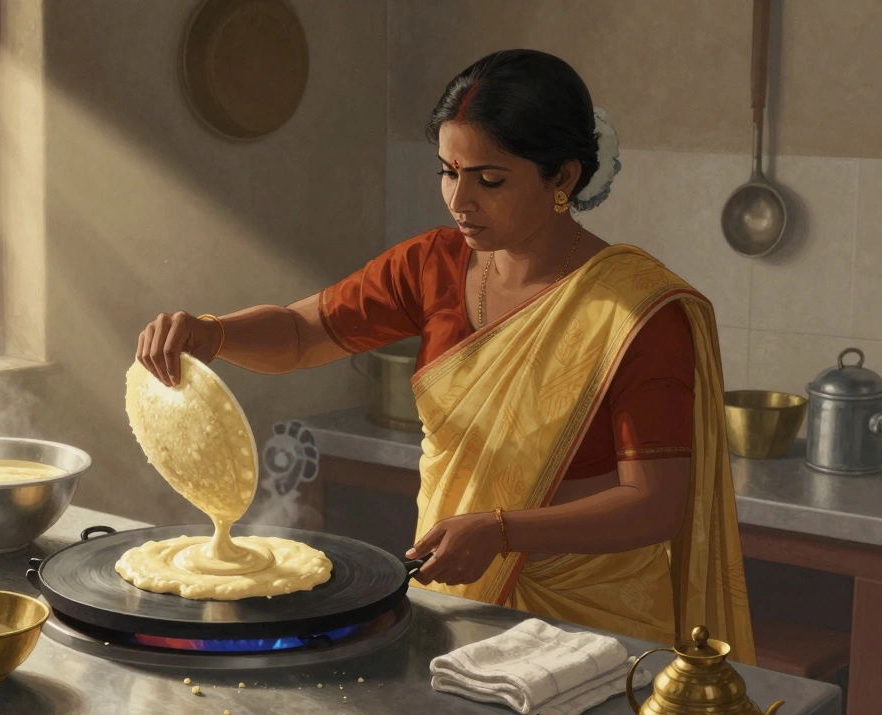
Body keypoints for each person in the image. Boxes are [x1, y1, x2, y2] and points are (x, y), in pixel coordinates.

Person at [134, 49, 755, 662]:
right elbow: (302, 334)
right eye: (446, 172)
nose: (459, 201)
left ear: (563, 178)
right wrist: (211, 333)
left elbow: (654, 504)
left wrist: (504, 532)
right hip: (458, 599)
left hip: (591, 625)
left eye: (489, 180)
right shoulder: (432, 264)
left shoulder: (638, 311)